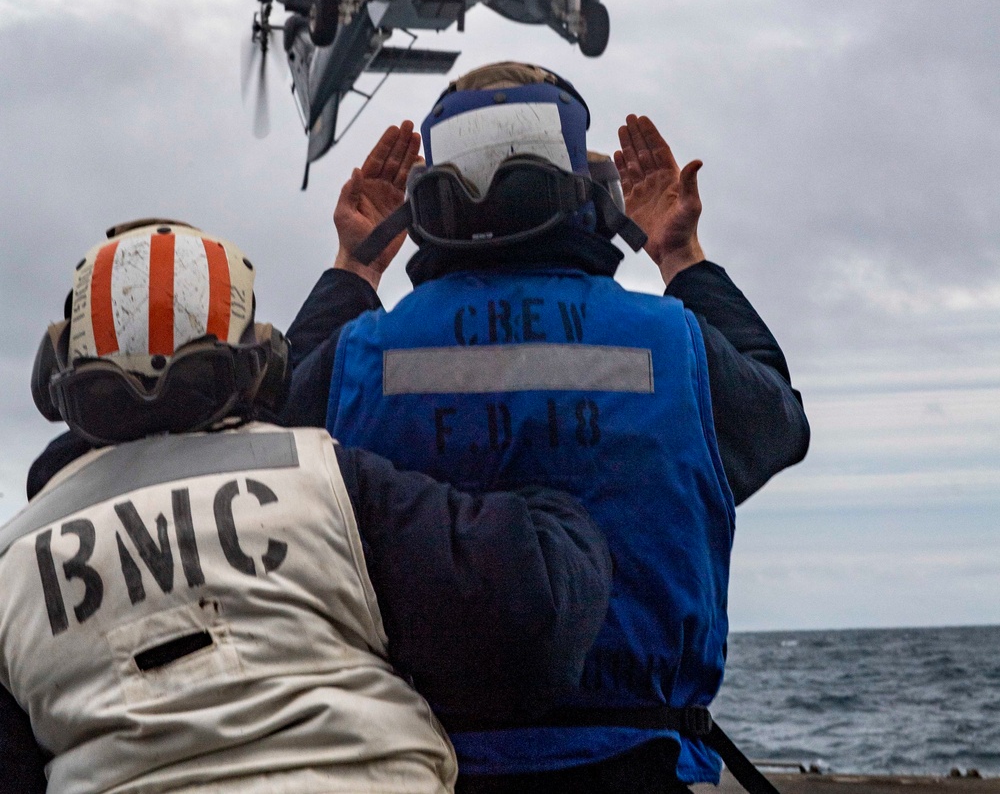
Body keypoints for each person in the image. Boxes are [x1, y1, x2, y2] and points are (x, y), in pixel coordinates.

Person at [281, 63, 811, 794]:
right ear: (584, 187)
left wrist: (353, 267)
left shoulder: (361, 358)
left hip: (423, 768)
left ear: (428, 201)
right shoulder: (673, 345)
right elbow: (779, 422)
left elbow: (266, 433)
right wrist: (680, 257)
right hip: (639, 767)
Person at [0, 217, 613, 793]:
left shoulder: (12, 566)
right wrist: (554, 503)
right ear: (257, 360)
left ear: (58, 369)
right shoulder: (325, 480)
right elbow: (530, 621)